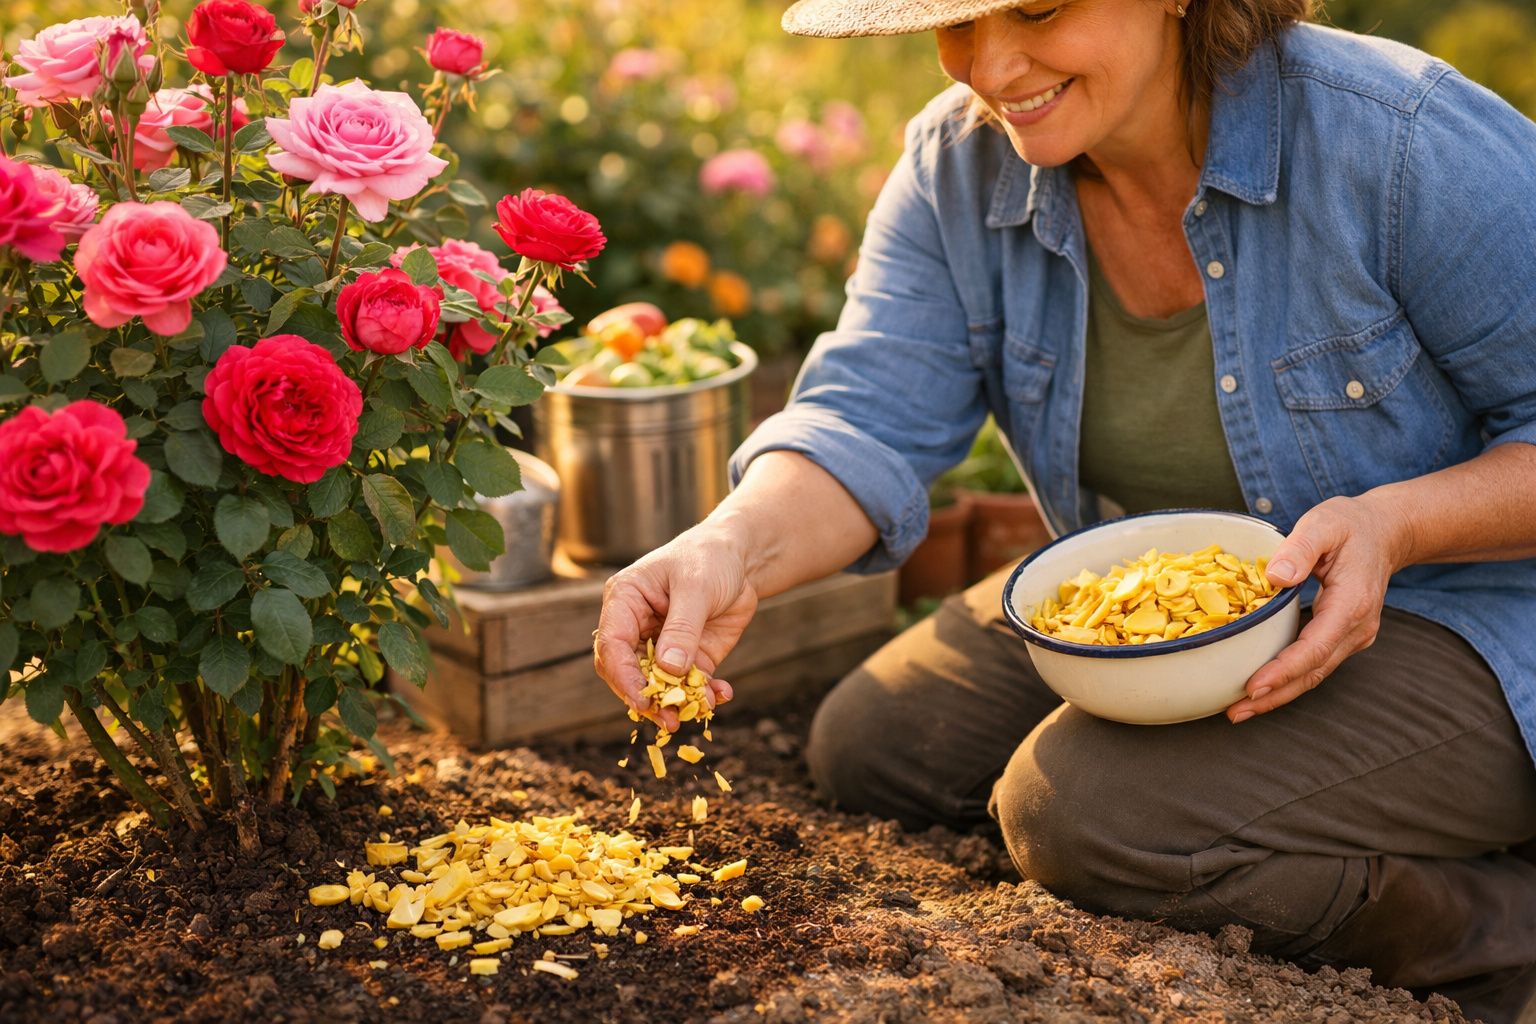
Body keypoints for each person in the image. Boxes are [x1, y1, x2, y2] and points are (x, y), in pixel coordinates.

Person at [593, 0, 1536, 1019]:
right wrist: (726, 548)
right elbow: (868, 416)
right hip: (1178, 610)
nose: (990, 67)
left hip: (1462, 611)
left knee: (1083, 813)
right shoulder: (957, 168)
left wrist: (1392, 524)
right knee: (881, 743)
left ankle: (1493, 932)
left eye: (1037, 7)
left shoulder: (1396, 139)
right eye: (953, 20)